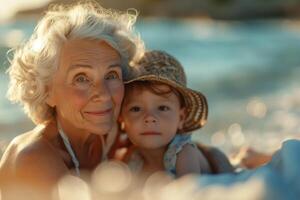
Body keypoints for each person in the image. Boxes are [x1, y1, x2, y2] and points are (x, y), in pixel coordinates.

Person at [0, 1, 144, 197]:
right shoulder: (34, 159)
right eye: (81, 78)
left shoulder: (114, 136)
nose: (102, 93)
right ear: (46, 90)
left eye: (111, 75)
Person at [119, 50, 234, 178]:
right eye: (136, 109)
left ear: (181, 118)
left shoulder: (184, 153)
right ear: (122, 119)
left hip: (219, 166)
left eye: (162, 108)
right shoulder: (132, 158)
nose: (149, 118)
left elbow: (189, 193)